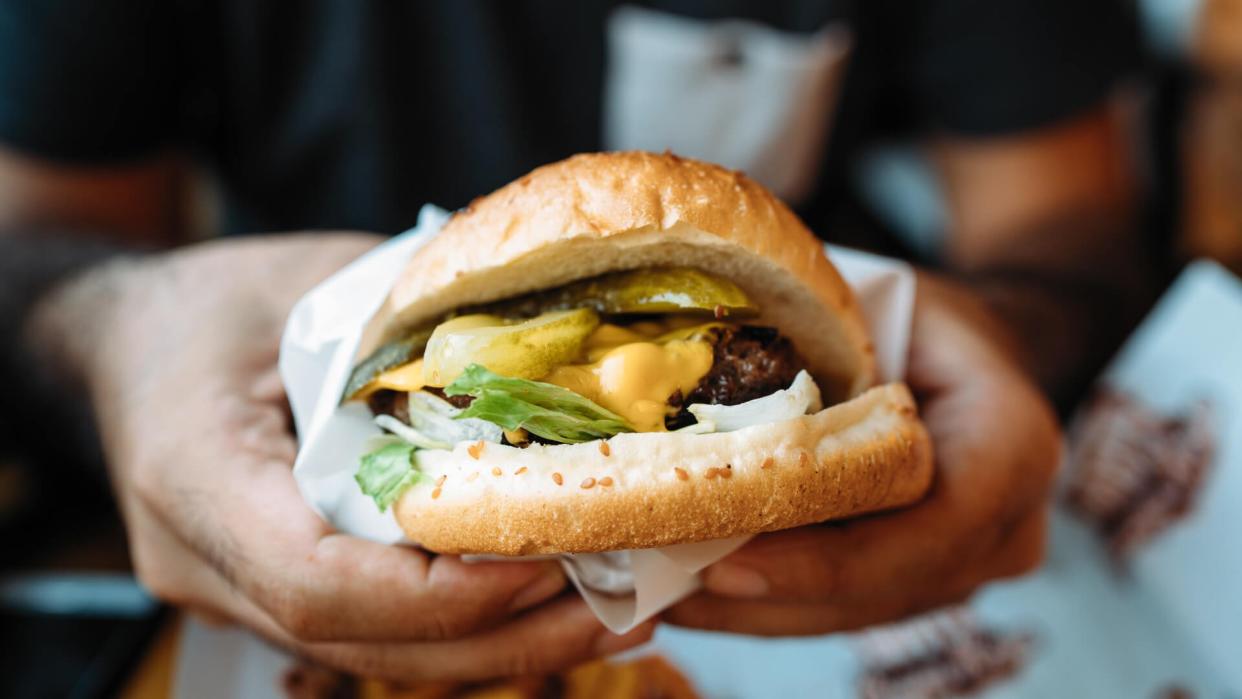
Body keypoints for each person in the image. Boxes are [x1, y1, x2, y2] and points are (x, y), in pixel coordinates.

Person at [0, 0, 1138, 683]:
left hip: (863, 556)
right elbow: (38, 233)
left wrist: (1001, 342)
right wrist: (117, 337)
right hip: (277, 483)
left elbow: (1062, 215)